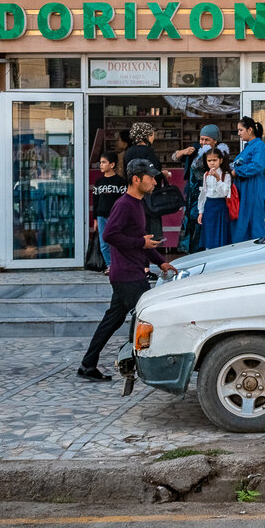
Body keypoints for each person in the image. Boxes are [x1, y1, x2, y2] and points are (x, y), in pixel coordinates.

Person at [80, 158, 176, 381]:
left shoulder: (138, 203)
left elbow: (140, 240)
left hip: (128, 273)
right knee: (152, 318)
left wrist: (160, 261)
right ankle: (153, 366)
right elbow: (110, 235)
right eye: (150, 177)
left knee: (112, 321)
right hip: (127, 276)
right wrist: (141, 244)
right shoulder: (124, 204)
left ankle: (87, 365)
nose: (154, 181)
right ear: (136, 179)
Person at [173, 124, 230, 254]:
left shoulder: (217, 155)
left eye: (207, 139)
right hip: (193, 193)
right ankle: (191, 253)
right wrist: (184, 151)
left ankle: (198, 253)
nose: (203, 142)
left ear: (215, 140)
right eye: (201, 139)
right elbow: (174, 157)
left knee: (199, 224)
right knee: (191, 223)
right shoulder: (196, 150)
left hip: (208, 193)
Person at [230, 116, 265, 243]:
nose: (238, 133)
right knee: (243, 221)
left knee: (254, 221)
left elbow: (258, 165)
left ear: (250, 130)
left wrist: (237, 171)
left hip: (253, 188)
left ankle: (256, 252)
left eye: (241, 130)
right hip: (245, 188)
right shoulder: (249, 147)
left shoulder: (259, 146)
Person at [123, 122, 165, 241]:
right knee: (151, 229)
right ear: (145, 136)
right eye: (151, 134)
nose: (153, 136)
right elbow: (154, 171)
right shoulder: (148, 151)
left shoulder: (129, 151)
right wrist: (163, 174)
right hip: (149, 196)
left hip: (134, 193)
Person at [91, 152, 127, 274]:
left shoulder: (120, 181)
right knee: (103, 242)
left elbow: (124, 200)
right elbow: (95, 200)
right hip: (101, 216)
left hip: (115, 216)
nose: (101, 165)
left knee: (117, 241)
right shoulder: (99, 182)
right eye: (100, 162)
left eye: (103, 162)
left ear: (112, 165)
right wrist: (95, 219)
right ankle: (110, 265)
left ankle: (119, 264)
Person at [197, 146, 233, 249]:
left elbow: (225, 193)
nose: (212, 163)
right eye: (209, 160)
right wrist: (201, 211)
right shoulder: (206, 175)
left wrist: (217, 178)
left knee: (220, 234)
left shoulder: (226, 175)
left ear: (220, 160)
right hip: (209, 207)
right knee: (209, 234)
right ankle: (209, 254)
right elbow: (203, 193)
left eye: (214, 160)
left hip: (220, 207)